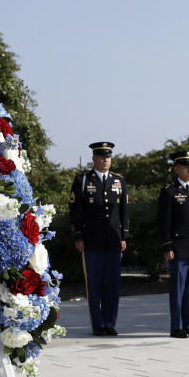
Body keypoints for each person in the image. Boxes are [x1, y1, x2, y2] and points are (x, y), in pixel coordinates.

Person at [69, 142, 130, 335]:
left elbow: (124, 212)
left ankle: (110, 323)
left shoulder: (119, 181)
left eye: (108, 157)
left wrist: (124, 236)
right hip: (91, 241)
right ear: (94, 158)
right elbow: (75, 211)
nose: (106, 160)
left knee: (112, 284)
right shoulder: (83, 180)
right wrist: (78, 236)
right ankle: (98, 324)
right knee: (94, 285)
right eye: (102, 157)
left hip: (113, 241)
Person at [158, 151, 189, 338]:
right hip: (178, 248)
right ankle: (177, 327)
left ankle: (188, 325)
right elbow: (164, 222)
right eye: (186, 167)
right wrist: (168, 246)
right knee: (178, 290)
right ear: (176, 169)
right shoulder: (169, 191)